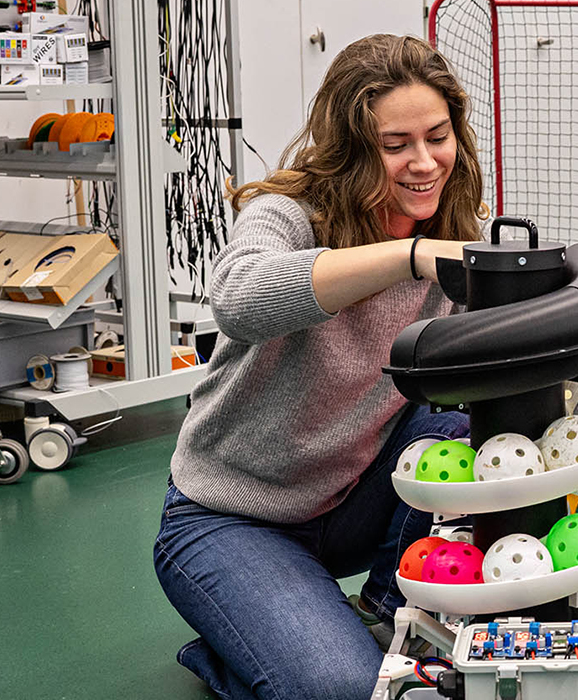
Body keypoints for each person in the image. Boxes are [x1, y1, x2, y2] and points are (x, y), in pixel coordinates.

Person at [151, 34, 485, 700]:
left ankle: (385, 609)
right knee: (341, 690)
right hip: (230, 518)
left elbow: (513, 350)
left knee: (462, 416)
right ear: (354, 149)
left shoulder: (451, 228)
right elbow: (238, 298)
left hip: (351, 502)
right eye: (395, 145)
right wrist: (408, 258)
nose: (425, 163)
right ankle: (238, 646)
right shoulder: (289, 214)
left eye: (438, 137)